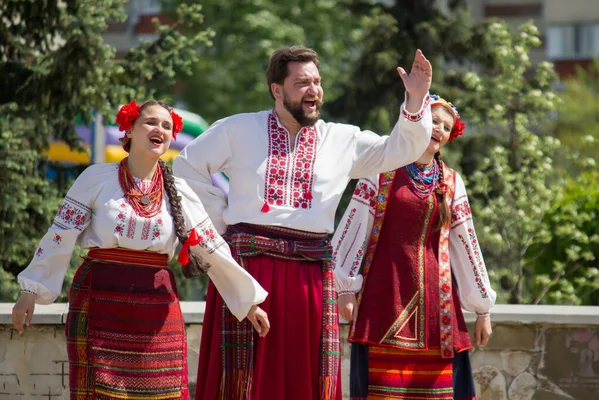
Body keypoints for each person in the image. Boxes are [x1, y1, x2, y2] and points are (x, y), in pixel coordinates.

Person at [173, 45, 433, 400]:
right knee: (240, 381)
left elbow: (400, 150)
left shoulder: (342, 140)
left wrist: (415, 101)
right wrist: (222, 228)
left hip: (310, 274)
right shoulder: (237, 129)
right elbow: (186, 169)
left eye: (317, 82)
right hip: (247, 269)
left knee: (305, 380)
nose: (314, 91)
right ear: (277, 90)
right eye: (302, 83)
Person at [12, 100, 270, 400]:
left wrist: (248, 301)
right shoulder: (95, 179)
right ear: (130, 129)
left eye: (166, 126)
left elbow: (212, 247)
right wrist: (30, 290)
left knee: (164, 392)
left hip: (157, 307)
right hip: (99, 301)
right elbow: (60, 235)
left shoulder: (180, 191)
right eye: (150, 122)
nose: (159, 129)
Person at [332, 94, 497, 400]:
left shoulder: (451, 181)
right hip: (384, 300)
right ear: (417, 121)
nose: (439, 129)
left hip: (438, 309)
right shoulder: (380, 168)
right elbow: (354, 227)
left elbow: (466, 244)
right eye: (434, 120)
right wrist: (343, 287)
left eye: (446, 127)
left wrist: (482, 307)